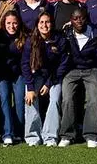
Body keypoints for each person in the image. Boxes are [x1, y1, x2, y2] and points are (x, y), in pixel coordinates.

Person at [58, 7, 97, 148]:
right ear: (71, 20)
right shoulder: (66, 33)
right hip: (72, 71)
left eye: (82, 17)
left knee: (94, 99)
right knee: (67, 99)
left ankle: (91, 134)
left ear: (86, 18)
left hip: (91, 70)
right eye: (75, 18)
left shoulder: (95, 33)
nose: (79, 21)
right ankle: (67, 135)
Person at [22, 11, 69, 147]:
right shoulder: (31, 40)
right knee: (30, 100)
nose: (44, 25)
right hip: (35, 76)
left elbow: (62, 65)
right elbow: (25, 64)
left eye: (47, 22)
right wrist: (30, 88)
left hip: (54, 77)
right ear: (37, 24)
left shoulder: (59, 40)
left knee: (54, 100)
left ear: (52, 24)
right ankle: (33, 136)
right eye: (41, 22)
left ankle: (50, 136)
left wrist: (48, 84)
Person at [0, 10, 27, 146]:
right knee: (5, 102)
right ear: (3, 23)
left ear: (19, 23)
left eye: (14, 23)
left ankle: (19, 132)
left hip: (19, 74)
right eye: (8, 23)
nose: (12, 26)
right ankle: (7, 133)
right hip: (2, 74)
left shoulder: (24, 36)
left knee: (20, 103)